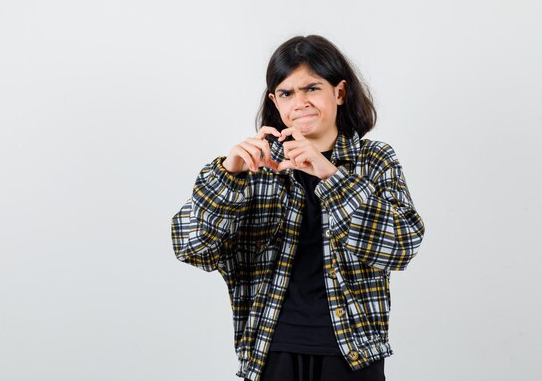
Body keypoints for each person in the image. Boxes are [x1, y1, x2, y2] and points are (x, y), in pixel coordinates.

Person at [171, 35, 426, 381]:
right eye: (287, 93)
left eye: (312, 88)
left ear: (339, 92)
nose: (300, 102)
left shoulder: (375, 160)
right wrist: (227, 178)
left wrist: (329, 174)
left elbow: (400, 248)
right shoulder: (250, 168)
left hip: (354, 354)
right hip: (271, 353)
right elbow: (192, 249)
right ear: (275, 102)